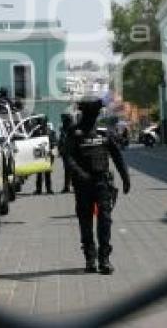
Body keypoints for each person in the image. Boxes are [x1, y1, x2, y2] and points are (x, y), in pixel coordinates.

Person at [63, 98, 130, 274]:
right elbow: (67, 157)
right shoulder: (74, 132)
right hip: (83, 185)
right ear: (85, 114)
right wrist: (80, 174)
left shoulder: (103, 132)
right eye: (91, 113)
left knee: (105, 221)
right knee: (85, 221)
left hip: (102, 183)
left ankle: (104, 259)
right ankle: (90, 259)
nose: (94, 117)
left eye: (96, 114)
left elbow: (117, 156)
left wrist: (125, 177)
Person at [34, 117, 54, 195]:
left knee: (47, 173)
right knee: (39, 173)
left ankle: (48, 189)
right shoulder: (36, 132)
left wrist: (52, 155)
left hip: (47, 154)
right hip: (39, 154)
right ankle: (39, 189)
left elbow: (54, 143)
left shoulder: (50, 132)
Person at [58, 113, 73, 193]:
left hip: (72, 153)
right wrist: (60, 149)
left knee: (73, 170)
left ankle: (72, 186)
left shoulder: (71, 128)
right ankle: (67, 186)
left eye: (63, 119)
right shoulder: (63, 129)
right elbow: (61, 140)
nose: (62, 121)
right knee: (67, 170)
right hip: (66, 153)